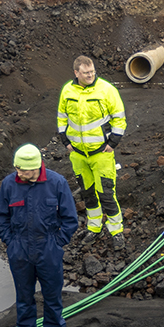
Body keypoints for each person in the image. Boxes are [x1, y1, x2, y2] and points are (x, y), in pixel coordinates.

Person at [0, 144, 79, 327]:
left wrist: (57, 242)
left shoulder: (57, 183)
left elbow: (70, 219)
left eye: (23, 170)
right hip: (20, 249)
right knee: (24, 297)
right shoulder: (9, 184)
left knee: (52, 296)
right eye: (17, 169)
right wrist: (11, 242)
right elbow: (1, 218)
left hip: (48, 247)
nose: (19, 173)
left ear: (36, 167)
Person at [57, 54, 128, 252]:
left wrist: (113, 143)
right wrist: (65, 141)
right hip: (78, 154)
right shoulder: (67, 90)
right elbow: (62, 116)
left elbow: (119, 118)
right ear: (76, 73)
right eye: (86, 73)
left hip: (101, 153)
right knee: (88, 194)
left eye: (92, 72)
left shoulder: (107, 90)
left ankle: (116, 231)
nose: (90, 75)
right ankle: (94, 228)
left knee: (106, 193)